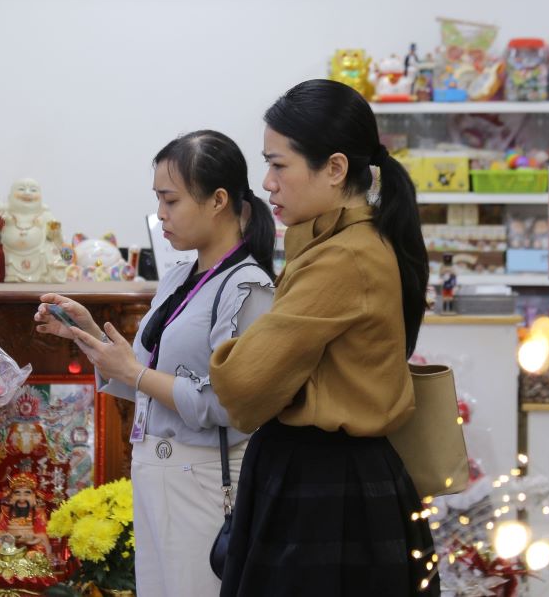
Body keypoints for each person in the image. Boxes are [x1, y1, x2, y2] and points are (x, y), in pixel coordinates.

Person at [208, 79, 440, 596]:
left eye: (279, 164)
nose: (266, 182)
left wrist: (231, 353)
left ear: (335, 168)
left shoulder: (343, 257)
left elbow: (242, 387)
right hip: (332, 474)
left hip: (324, 485)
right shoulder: (341, 242)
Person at [34, 130, 275, 597]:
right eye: (158, 200)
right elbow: (142, 379)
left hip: (204, 478)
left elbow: (228, 404)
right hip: (154, 471)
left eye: (171, 200)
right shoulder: (182, 277)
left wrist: (135, 372)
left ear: (218, 200)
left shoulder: (248, 287)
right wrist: (88, 335)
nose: (161, 214)